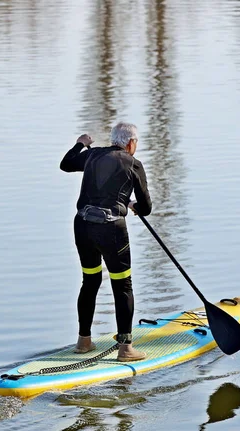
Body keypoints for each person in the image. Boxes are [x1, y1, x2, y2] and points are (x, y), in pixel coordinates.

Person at [60, 122, 152, 362]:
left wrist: (80, 144)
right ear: (131, 143)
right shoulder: (134, 164)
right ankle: (125, 349)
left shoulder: (92, 155)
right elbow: (147, 208)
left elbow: (66, 164)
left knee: (90, 281)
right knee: (122, 286)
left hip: (83, 226)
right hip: (112, 230)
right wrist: (132, 206)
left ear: (114, 140)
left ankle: (83, 342)